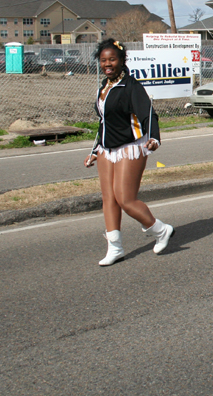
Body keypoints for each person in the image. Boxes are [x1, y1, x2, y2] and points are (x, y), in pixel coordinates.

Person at [84, 39, 174, 266]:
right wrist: (95, 150)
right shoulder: (104, 86)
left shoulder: (131, 87)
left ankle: (160, 229)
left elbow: (148, 115)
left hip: (130, 147)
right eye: (103, 60)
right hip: (107, 149)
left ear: (122, 61)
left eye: (112, 59)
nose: (107, 64)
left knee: (125, 199)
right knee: (109, 199)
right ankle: (115, 247)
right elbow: (104, 122)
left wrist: (154, 138)